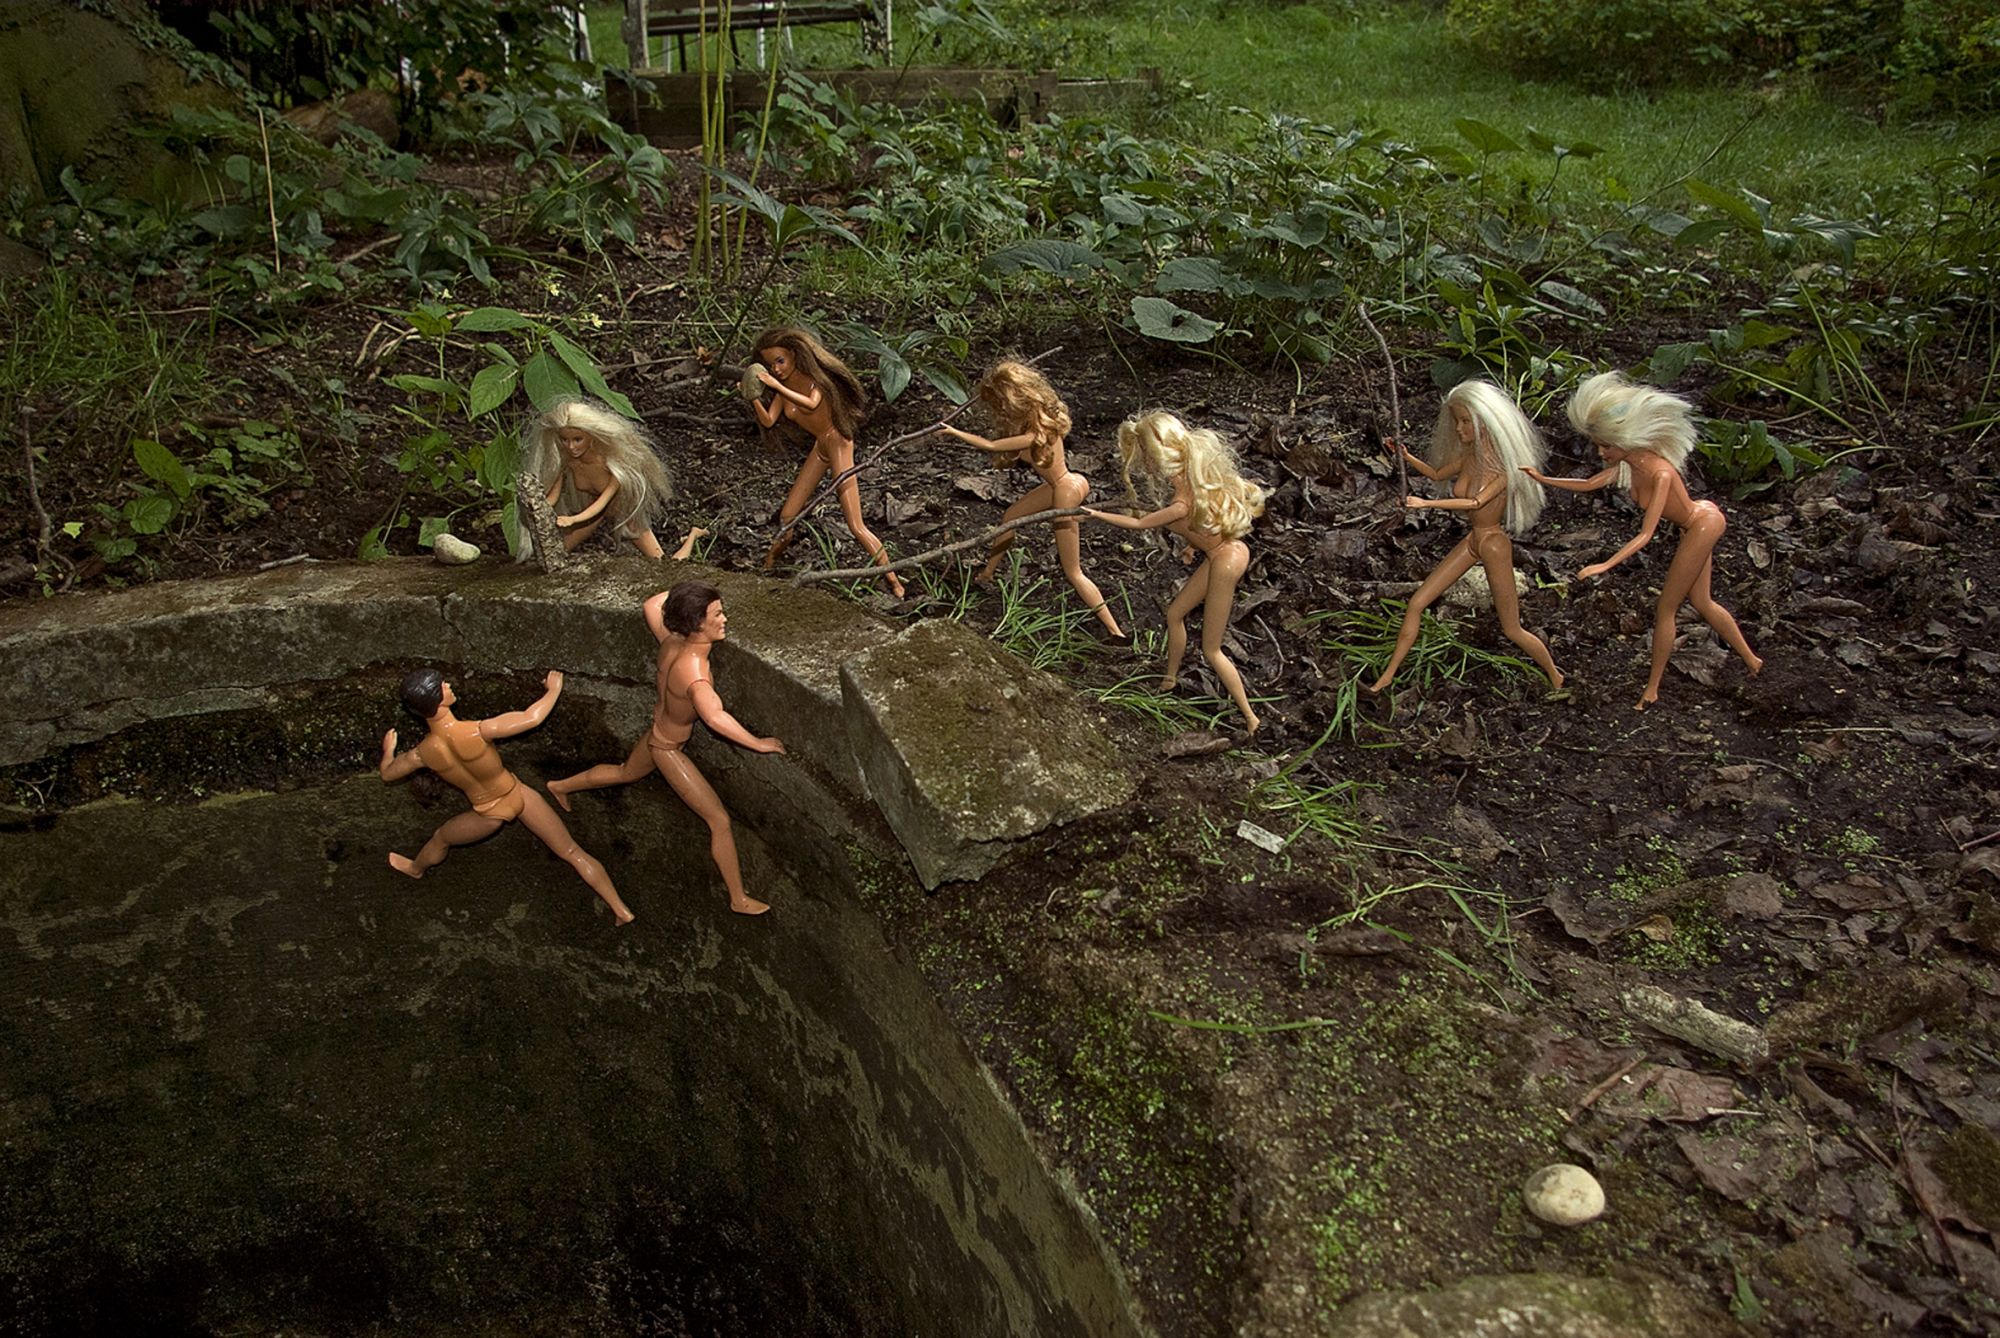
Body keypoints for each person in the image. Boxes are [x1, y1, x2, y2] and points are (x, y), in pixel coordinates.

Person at [1526, 371, 1763, 710]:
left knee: (1666, 608)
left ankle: (1652, 689)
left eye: (1606, 445)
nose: (1601, 452)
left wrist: (1604, 565)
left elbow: (1646, 534)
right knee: (1702, 602)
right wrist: (1542, 478)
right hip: (1695, 525)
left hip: (1702, 525)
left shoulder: (1659, 473)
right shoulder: (1631, 464)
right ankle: (1753, 661)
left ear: (1624, 439)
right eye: (1598, 445)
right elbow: (1589, 484)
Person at [548, 582, 786, 916]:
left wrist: (689, 596)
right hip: (668, 748)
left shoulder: (670, 640)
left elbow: (651, 604)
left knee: (624, 772)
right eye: (717, 614)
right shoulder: (695, 674)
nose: (725, 620)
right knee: (718, 820)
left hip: (656, 731)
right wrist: (758, 743)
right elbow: (715, 718)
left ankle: (560, 786)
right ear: (696, 623)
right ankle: (738, 898)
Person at [379, 669, 635, 925]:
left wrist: (388, 751)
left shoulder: (421, 754)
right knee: (571, 851)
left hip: (488, 815)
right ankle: (620, 910)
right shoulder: (478, 730)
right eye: (442, 685)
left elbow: (388, 774)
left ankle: (416, 868)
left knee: (441, 838)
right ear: (436, 699)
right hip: (517, 794)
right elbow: (531, 718)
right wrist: (553, 690)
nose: (448, 685)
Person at [1369, 380, 1564, 695]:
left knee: (1512, 628)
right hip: (1474, 539)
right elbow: (1436, 474)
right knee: (1417, 602)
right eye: (1456, 421)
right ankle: (1388, 676)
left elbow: (1475, 503)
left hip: (1493, 543)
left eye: (1464, 421)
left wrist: (1427, 504)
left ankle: (1555, 676)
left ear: (1484, 423)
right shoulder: (1470, 457)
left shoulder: (1504, 468)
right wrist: (1406, 457)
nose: (1458, 429)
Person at [1086, 410, 1270, 733]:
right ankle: (1170, 679)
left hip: (1225, 560)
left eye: (1146, 457)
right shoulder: (1194, 482)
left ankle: (1251, 719)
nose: (1146, 465)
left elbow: (1139, 524)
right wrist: (1193, 546)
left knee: (1211, 648)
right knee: (1174, 614)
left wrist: (1094, 514)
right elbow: (1201, 524)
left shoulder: (1181, 503)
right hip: (1223, 552)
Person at [935, 360, 1125, 637]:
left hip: (1065, 490)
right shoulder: (1038, 422)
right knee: (1010, 517)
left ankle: (1115, 631)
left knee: (1073, 570)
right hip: (1065, 482)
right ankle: (988, 573)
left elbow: (991, 445)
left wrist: (954, 432)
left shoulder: (1035, 434)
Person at [747, 326, 905, 597]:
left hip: (838, 443)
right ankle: (768, 563)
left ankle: (894, 580)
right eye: (771, 365)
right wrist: (753, 398)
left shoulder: (814, 381)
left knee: (856, 525)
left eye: (780, 361)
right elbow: (769, 420)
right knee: (787, 515)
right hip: (820, 446)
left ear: (794, 354)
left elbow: (811, 404)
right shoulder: (782, 389)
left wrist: (776, 386)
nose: (776, 370)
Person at [520, 396, 703, 560]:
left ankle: (693, 535)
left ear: (591, 436)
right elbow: (553, 495)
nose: (570, 447)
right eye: (564, 440)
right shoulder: (568, 462)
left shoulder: (612, 465)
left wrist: (574, 520)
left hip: (622, 513)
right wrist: (537, 506)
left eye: (577, 439)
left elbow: (603, 502)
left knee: (663, 561)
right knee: (557, 551)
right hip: (592, 515)